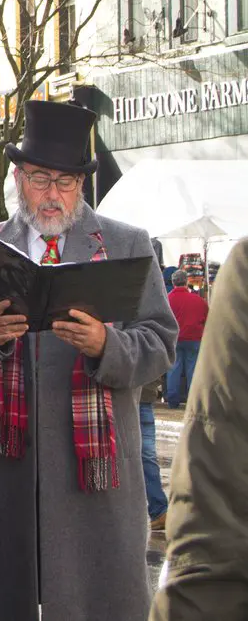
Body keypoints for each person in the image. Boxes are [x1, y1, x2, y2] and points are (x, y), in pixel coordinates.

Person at [0, 100, 178, 621]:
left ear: (82, 185)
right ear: (19, 178)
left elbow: (160, 343)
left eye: (65, 182)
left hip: (93, 474)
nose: (52, 193)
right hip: (7, 466)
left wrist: (106, 346)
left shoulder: (125, 244)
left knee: (97, 601)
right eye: (41, 178)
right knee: (5, 598)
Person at [149, 239, 248, 620]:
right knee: (189, 373)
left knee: (180, 376)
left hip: (183, 342)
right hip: (195, 339)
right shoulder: (197, 297)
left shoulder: (173, 298)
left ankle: (175, 399)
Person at [165, 269, 208, 408]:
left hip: (174, 339)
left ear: (173, 282)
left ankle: (172, 401)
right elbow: (207, 319)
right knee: (193, 370)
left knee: (173, 369)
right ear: (187, 282)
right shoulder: (198, 300)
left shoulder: (167, 300)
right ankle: (193, 401)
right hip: (194, 339)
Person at [139, 376, 169, 532]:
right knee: (147, 455)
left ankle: (157, 510)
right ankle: (158, 510)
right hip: (145, 395)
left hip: (129, 396)